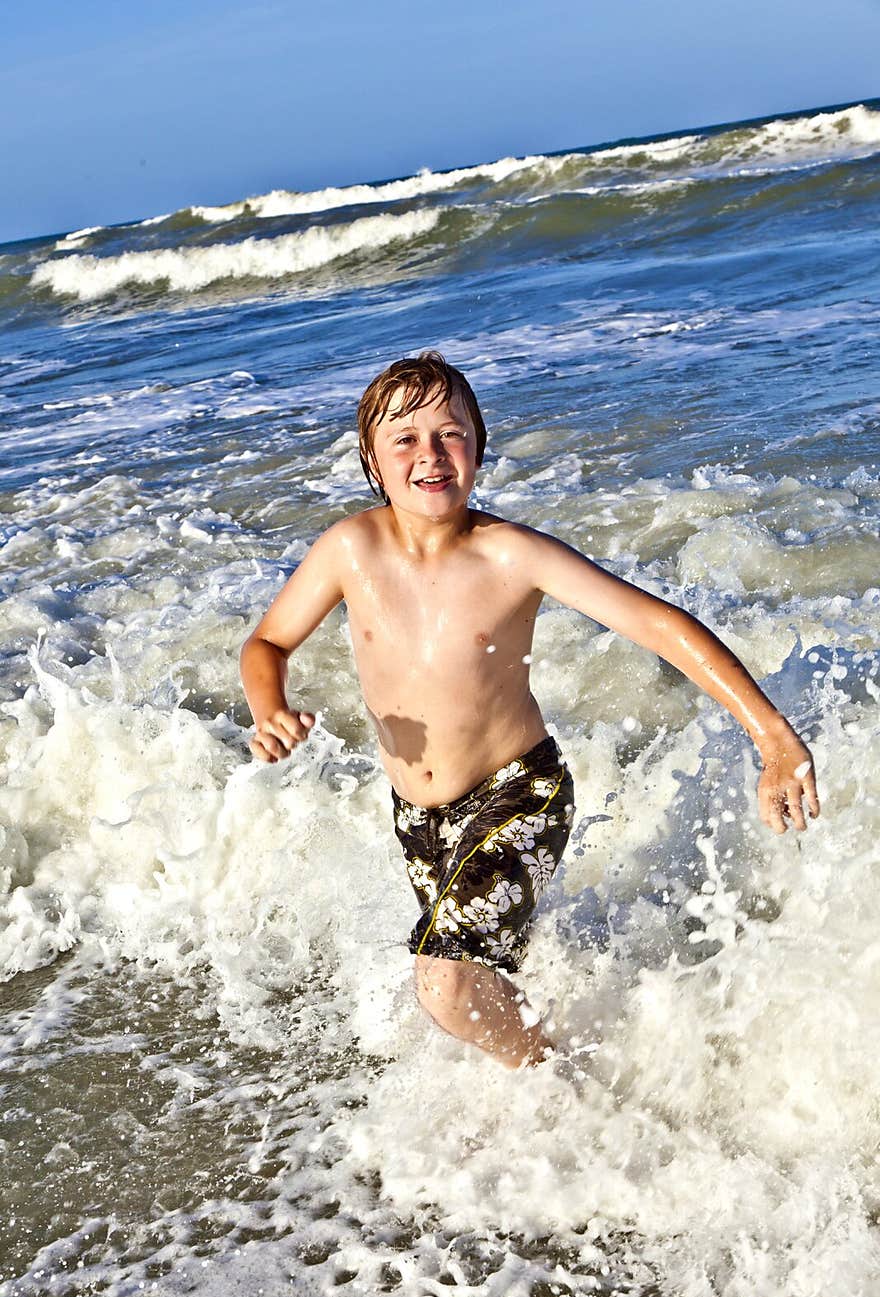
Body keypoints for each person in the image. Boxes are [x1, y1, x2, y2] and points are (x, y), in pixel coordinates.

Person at [239, 351, 820, 1071]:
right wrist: (270, 708)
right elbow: (267, 642)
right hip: (417, 821)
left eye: (451, 434)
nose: (431, 454)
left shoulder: (511, 555)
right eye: (406, 439)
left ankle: (557, 1079)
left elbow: (660, 626)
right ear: (372, 458)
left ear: (479, 445)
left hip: (521, 793)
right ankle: (562, 1091)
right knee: (478, 976)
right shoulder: (350, 549)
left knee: (444, 982)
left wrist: (773, 737)